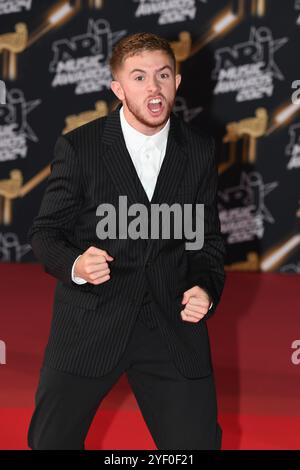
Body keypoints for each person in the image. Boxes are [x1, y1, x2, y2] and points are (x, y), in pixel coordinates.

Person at [27, 32, 226, 450]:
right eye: (139, 77)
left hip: (170, 324)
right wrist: (77, 265)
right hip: (92, 320)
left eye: (162, 75)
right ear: (117, 87)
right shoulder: (80, 148)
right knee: (50, 444)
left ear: (177, 81)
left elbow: (205, 241)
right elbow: (45, 234)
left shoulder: (201, 150)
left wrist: (206, 287)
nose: (153, 88)